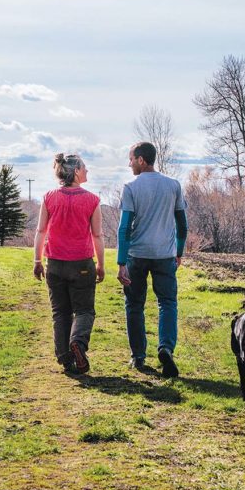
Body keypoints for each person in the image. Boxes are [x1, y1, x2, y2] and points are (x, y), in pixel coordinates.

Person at [117, 142, 188, 377]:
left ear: (141, 160)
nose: (129, 164)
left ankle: (138, 355)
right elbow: (182, 224)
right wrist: (179, 251)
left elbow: (125, 228)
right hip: (164, 255)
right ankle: (166, 347)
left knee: (134, 304)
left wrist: (121, 263)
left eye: (131, 159)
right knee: (167, 303)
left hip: (137, 255)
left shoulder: (130, 187)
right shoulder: (173, 185)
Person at [33, 153, 106, 374]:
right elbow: (98, 235)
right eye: (84, 167)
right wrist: (101, 265)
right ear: (75, 171)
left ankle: (66, 359)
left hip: (54, 263)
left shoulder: (49, 197)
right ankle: (78, 343)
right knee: (84, 311)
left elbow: (40, 231)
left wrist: (37, 260)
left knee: (60, 313)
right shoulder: (92, 200)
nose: (87, 171)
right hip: (82, 264)